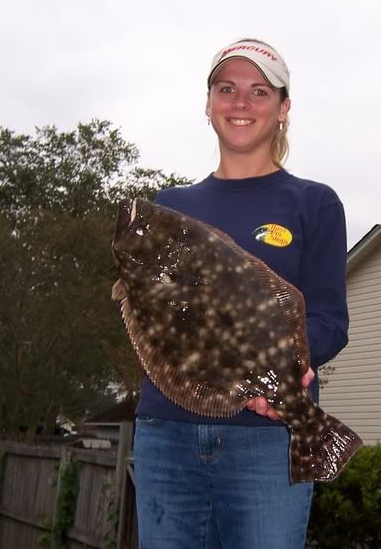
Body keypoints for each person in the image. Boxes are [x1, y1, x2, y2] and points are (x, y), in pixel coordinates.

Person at [133, 38, 349, 549]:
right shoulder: (169, 207)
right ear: (208, 104)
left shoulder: (314, 203)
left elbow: (328, 321)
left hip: (269, 437)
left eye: (258, 91)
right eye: (226, 89)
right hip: (168, 431)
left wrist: (287, 366)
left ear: (283, 109)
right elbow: (156, 316)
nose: (240, 103)